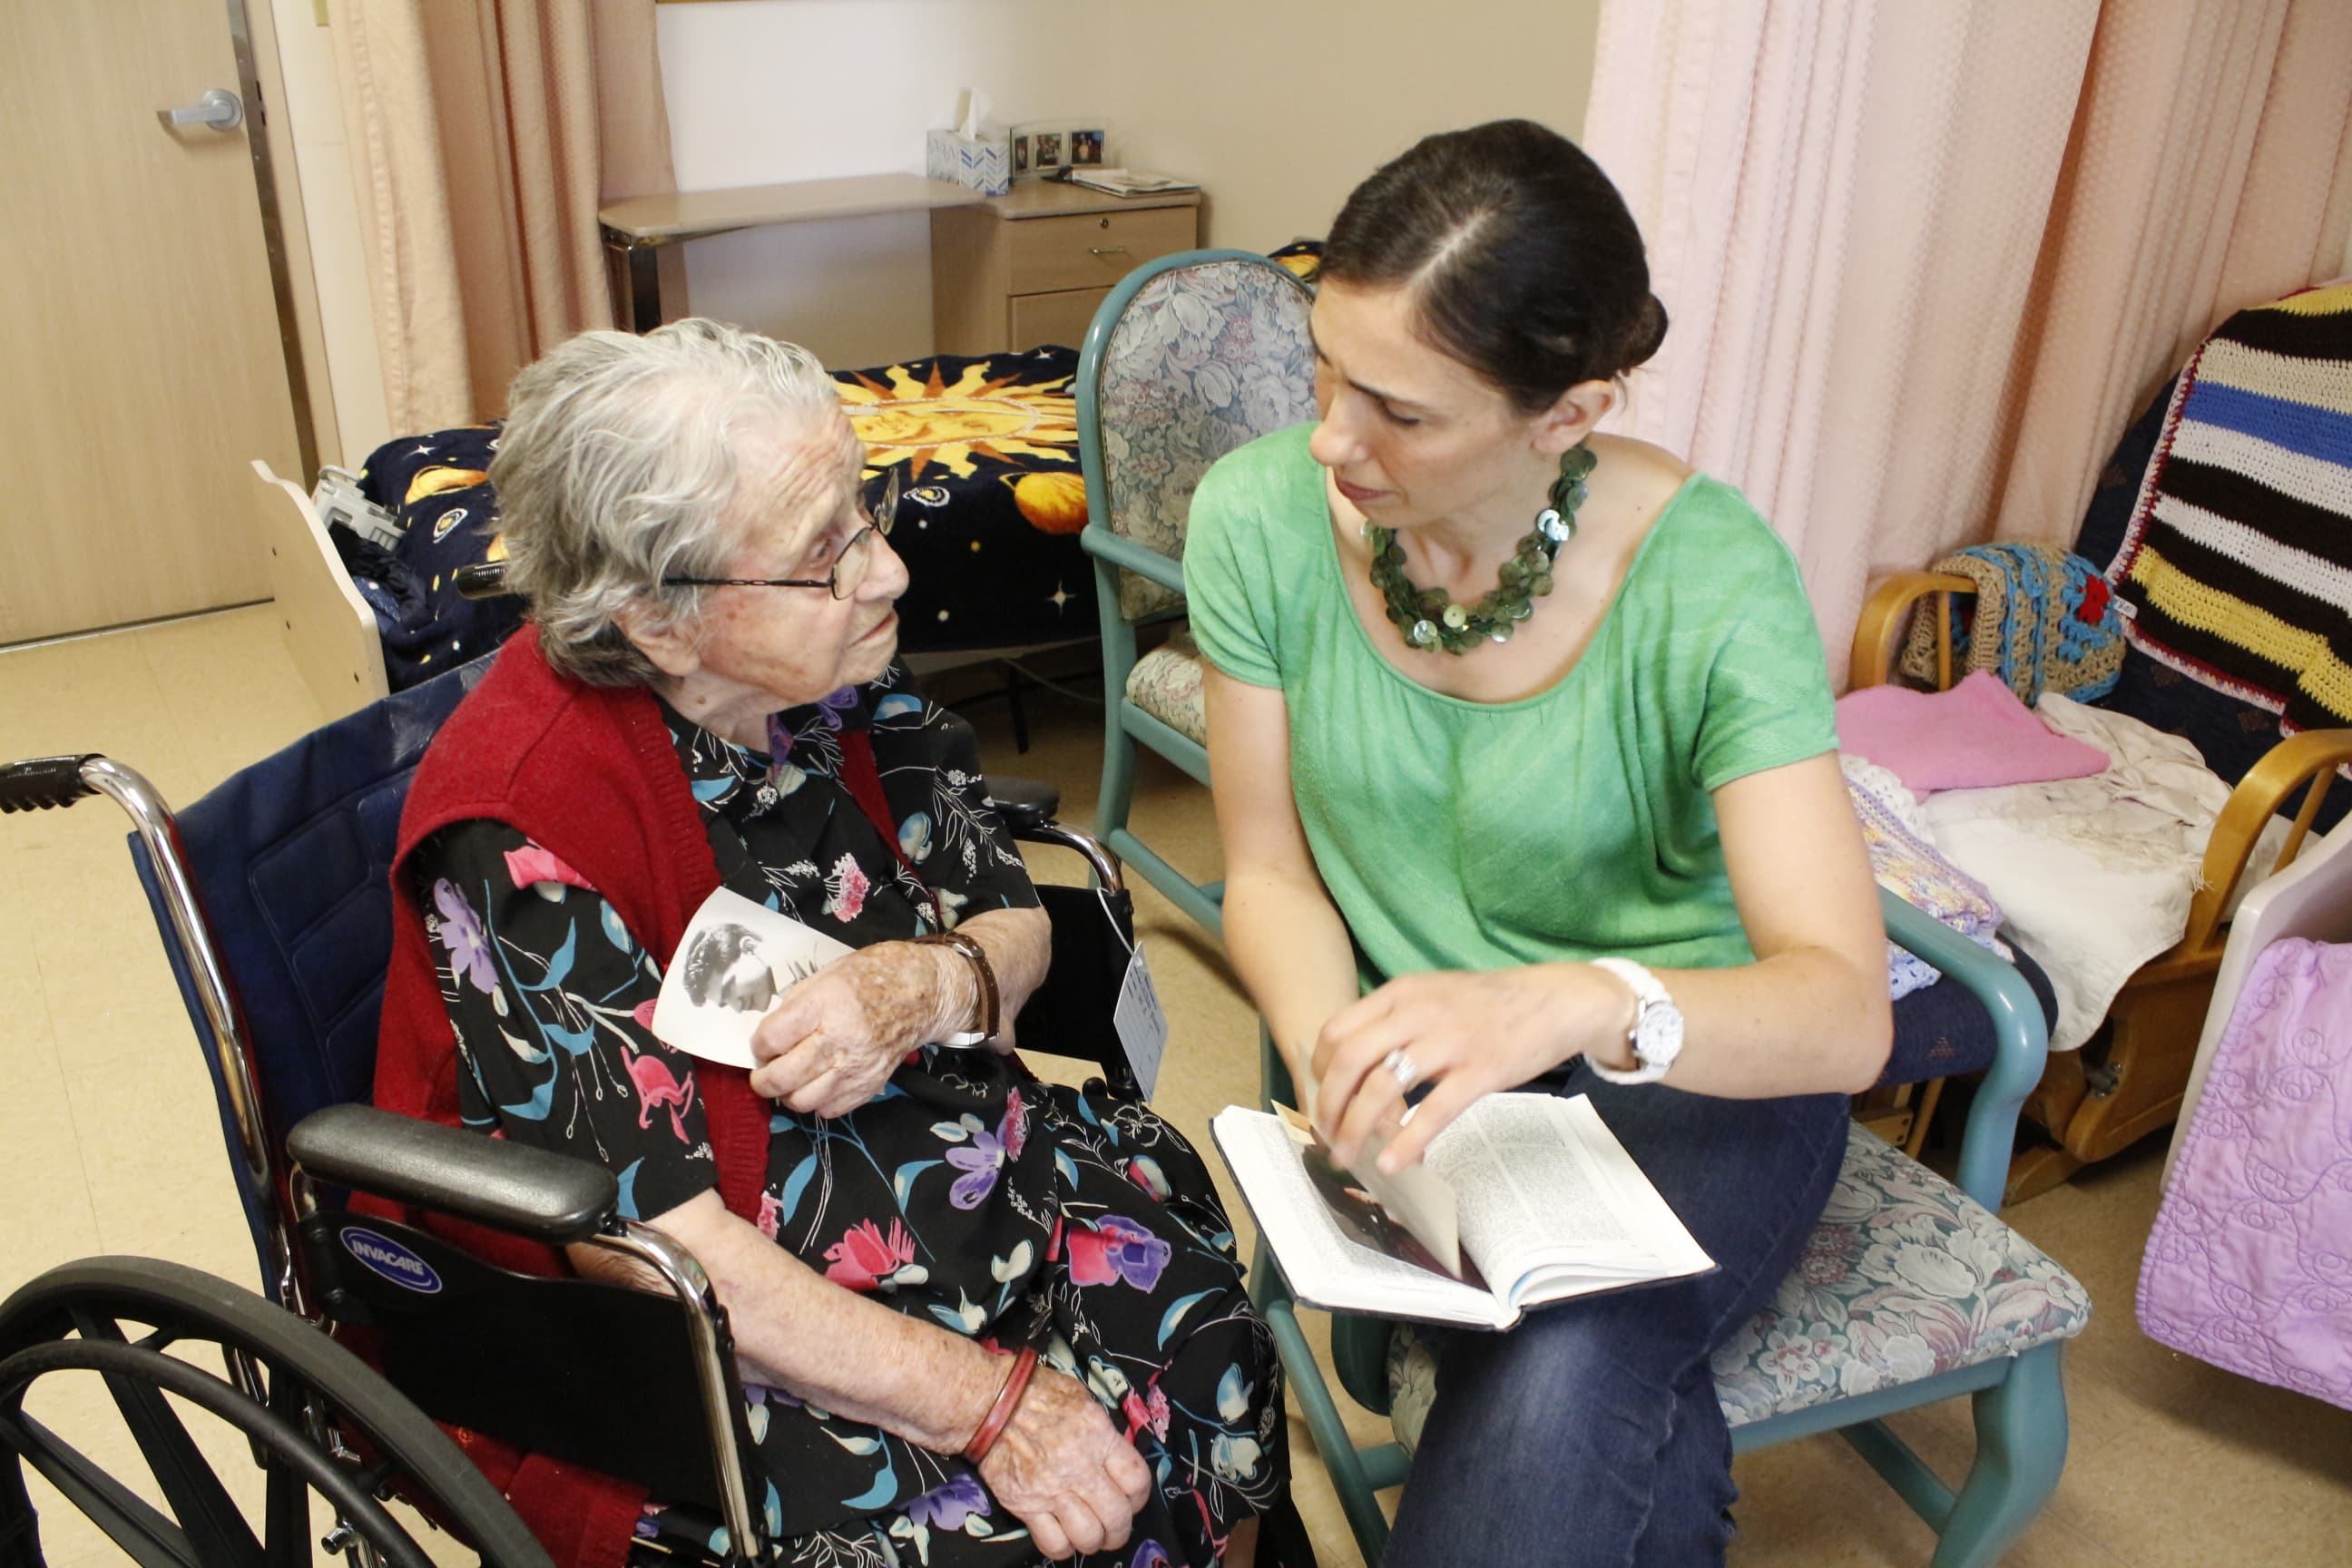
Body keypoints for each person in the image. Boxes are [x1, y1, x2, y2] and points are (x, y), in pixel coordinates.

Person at [374, 319, 1283, 1567]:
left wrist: (936, 981)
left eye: (867, 512)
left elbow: (1013, 919)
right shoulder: (528, 827)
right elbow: (659, 1247)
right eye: (826, 550)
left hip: (957, 1165)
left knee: (1211, 1341)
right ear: (660, 619)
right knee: (1023, 1537)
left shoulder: (839, 673)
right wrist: (992, 1404)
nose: (889, 571)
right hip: (730, 1307)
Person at [1184, 120, 1891, 1565]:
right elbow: (1267, 872)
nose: (1329, 436)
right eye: (1325, 367)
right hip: (1450, 1060)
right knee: (1616, 1426)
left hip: (1699, 1064)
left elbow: (1843, 1009)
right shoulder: (1259, 516)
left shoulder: (1711, 575)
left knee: (1561, 1361)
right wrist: (1349, 1062)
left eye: (1403, 411)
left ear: (1569, 412)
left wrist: (1583, 1000)